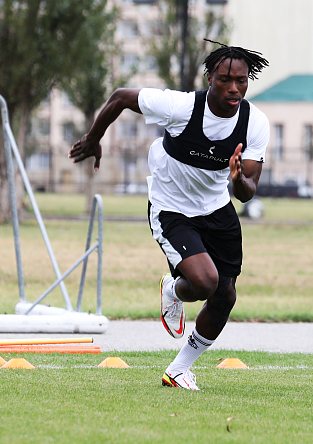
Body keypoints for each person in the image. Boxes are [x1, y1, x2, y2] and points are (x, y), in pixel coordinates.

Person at [68, 40, 270, 390]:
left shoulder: (255, 122)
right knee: (204, 283)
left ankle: (178, 370)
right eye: (225, 79)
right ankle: (173, 289)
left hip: (216, 207)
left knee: (225, 296)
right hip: (171, 207)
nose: (234, 88)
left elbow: (246, 191)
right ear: (210, 77)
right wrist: (93, 138)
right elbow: (120, 97)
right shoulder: (180, 107)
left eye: (241, 80)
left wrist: (238, 178)